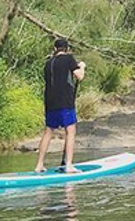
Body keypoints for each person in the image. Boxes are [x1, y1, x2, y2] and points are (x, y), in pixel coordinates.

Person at [35, 37, 85, 173]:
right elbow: (79, 76)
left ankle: (39, 165)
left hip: (50, 102)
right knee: (70, 131)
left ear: (54, 49)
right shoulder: (69, 59)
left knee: (48, 131)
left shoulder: (48, 63)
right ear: (67, 49)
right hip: (65, 102)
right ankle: (68, 165)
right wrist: (82, 67)